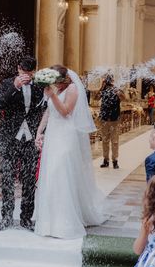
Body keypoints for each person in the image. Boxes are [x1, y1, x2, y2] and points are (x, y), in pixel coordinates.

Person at [34, 64, 106, 239]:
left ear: (62, 78)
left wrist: (52, 95)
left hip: (66, 136)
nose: (54, 84)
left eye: (55, 81)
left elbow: (66, 111)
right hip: (53, 135)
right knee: (50, 175)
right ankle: (49, 221)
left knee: (61, 173)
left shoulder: (72, 88)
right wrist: (39, 132)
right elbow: (49, 112)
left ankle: (64, 222)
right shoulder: (55, 90)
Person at [0, 56, 45, 231]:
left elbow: (44, 109)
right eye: (24, 72)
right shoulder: (8, 83)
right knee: (7, 179)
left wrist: (41, 133)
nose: (27, 76)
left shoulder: (39, 85)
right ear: (18, 69)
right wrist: (15, 86)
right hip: (10, 139)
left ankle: (26, 218)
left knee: (29, 179)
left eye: (30, 73)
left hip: (30, 139)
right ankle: (6, 217)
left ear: (34, 72)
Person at [99, 74, 125, 169]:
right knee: (105, 141)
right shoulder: (103, 90)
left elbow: (124, 98)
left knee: (114, 141)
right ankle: (105, 160)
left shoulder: (117, 89)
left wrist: (119, 92)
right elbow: (95, 98)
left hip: (115, 119)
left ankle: (115, 160)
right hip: (104, 119)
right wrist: (101, 87)